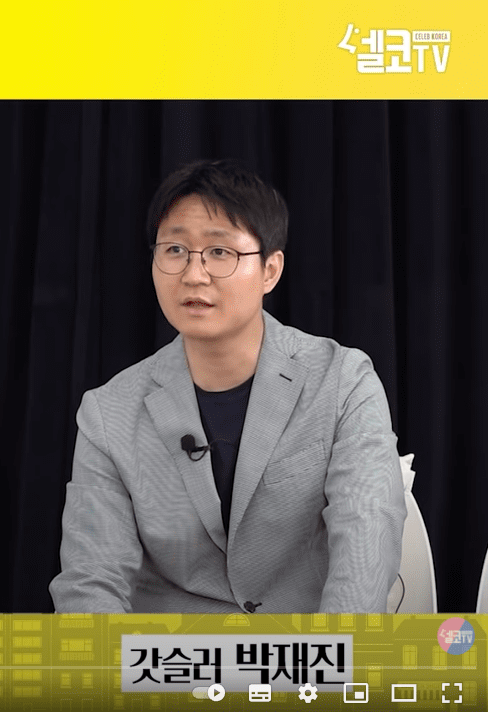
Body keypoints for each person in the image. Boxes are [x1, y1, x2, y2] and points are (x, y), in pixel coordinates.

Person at [50, 160, 406, 613]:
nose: (194, 274)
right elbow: (91, 580)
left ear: (270, 270)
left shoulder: (342, 382)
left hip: (304, 648)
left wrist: (329, 652)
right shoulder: (108, 412)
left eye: (220, 252)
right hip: (170, 652)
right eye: (174, 249)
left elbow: (366, 541)